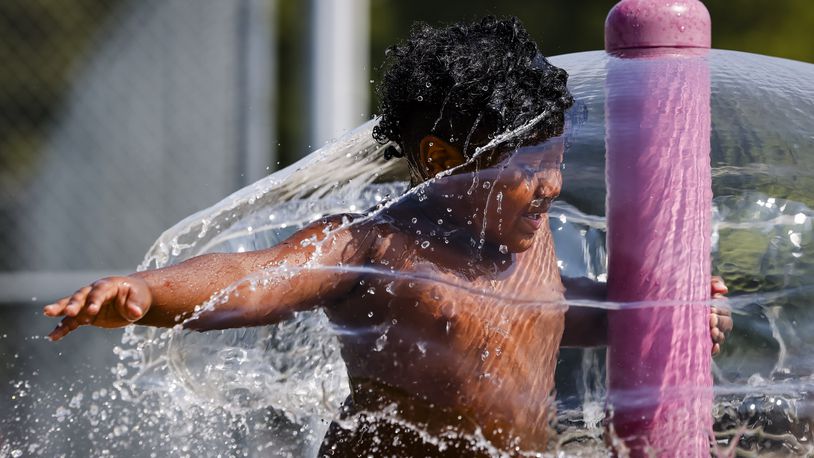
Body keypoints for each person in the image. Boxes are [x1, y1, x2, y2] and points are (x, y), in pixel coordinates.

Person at [43, 17, 731, 456]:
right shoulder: (375, 250)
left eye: (555, 157)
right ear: (438, 159)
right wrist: (148, 292)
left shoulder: (527, 236)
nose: (550, 184)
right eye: (525, 166)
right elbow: (252, 277)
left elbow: (549, 312)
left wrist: (650, 319)